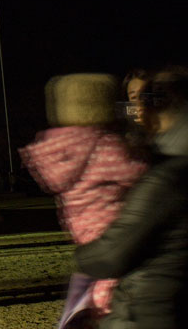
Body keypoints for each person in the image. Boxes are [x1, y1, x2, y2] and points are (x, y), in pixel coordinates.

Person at [20, 74, 146, 319]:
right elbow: (136, 172)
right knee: (115, 277)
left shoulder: (60, 148)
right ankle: (101, 305)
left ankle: (93, 307)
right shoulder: (105, 146)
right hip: (110, 224)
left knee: (100, 274)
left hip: (82, 229)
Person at [76, 67, 188, 329]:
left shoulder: (166, 178)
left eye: (140, 101)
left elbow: (111, 255)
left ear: (154, 109)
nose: (136, 110)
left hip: (149, 313)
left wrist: (83, 256)